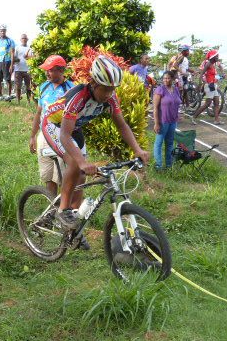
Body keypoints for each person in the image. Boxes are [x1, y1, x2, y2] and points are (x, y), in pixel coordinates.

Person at [41, 55, 150, 230]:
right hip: (54, 125)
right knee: (75, 164)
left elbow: (122, 125)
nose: (109, 94)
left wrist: (137, 149)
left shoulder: (111, 98)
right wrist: (82, 162)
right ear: (94, 84)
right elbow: (64, 136)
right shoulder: (78, 97)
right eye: (105, 89)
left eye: (112, 89)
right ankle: (62, 210)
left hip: (73, 129)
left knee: (81, 178)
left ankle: (72, 226)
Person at [29, 55, 74, 196]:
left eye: (50, 70)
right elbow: (39, 112)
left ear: (61, 71)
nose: (47, 73)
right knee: (48, 175)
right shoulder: (44, 87)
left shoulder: (70, 89)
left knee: (60, 175)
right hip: (44, 135)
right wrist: (33, 136)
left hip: (61, 136)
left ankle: (63, 208)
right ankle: (52, 207)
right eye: (46, 70)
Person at [152, 71, 181, 171]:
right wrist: (156, 123)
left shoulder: (176, 90)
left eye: (168, 78)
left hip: (173, 121)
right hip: (163, 121)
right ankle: (158, 166)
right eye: (164, 78)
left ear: (172, 79)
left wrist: (178, 115)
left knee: (169, 144)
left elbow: (177, 103)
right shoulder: (160, 90)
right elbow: (155, 108)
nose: (166, 80)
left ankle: (169, 165)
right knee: (158, 143)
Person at [191, 49, 223, 125]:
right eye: (217, 56)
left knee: (216, 102)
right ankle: (194, 117)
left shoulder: (214, 64)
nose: (218, 57)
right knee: (207, 104)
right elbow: (202, 73)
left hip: (213, 85)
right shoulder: (208, 63)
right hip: (209, 86)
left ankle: (216, 119)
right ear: (213, 57)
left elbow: (214, 75)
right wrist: (202, 82)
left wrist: (221, 76)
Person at [0, 24, 15, 100]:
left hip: (7, 61)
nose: (2, 32)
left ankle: (9, 95)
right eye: (1, 30)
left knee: (8, 80)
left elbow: (12, 53)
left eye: (4, 30)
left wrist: (11, 65)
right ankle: (0, 95)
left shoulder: (10, 40)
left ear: (5, 31)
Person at [13, 34, 33, 103]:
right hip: (18, 70)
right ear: (20, 39)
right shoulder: (17, 48)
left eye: (25, 38)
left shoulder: (30, 48)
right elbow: (13, 58)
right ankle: (18, 101)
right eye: (22, 38)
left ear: (27, 39)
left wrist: (28, 57)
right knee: (18, 87)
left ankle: (29, 101)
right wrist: (16, 60)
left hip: (28, 70)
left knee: (29, 87)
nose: (24, 39)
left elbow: (33, 58)